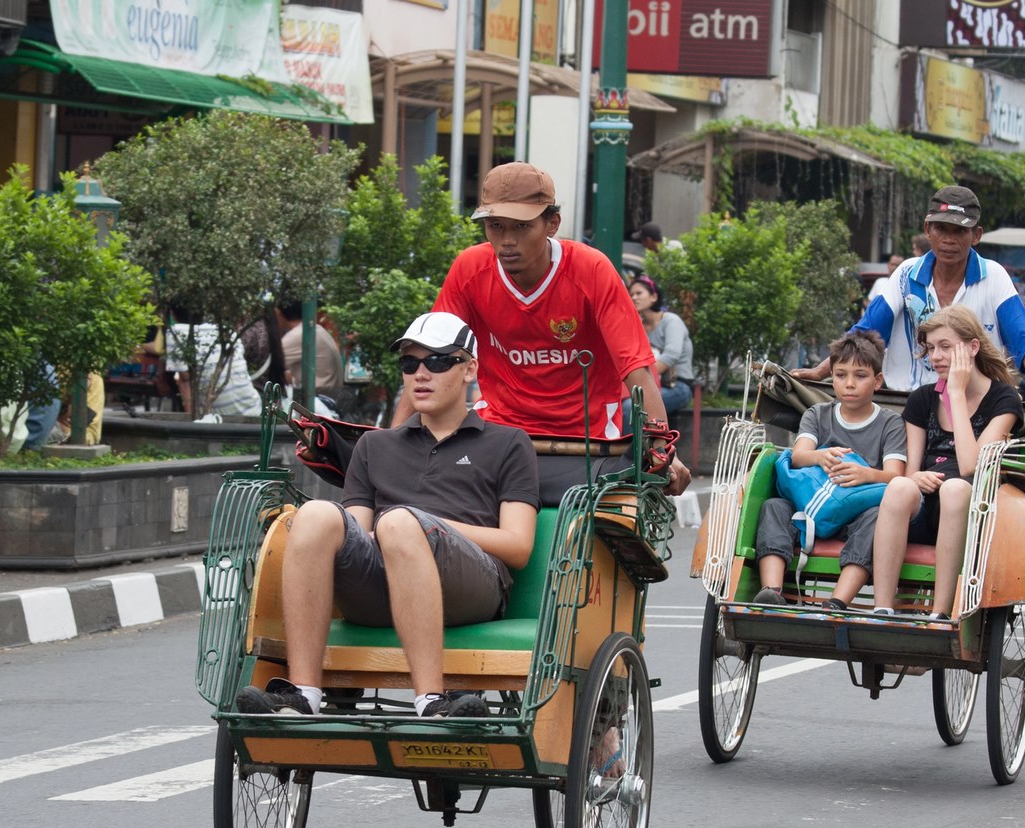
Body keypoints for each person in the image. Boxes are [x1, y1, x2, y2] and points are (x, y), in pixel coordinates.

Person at [235, 312, 539, 718]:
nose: (420, 374)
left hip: (471, 585)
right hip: (381, 581)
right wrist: (399, 528)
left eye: (437, 361)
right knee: (315, 515)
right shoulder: (374, 447)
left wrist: (421, 523)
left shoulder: (508, 443)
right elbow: (355, 533)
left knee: (398, 522)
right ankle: (304, 693)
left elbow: (518, 547)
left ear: (470, 370)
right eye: (409, 364)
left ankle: (431, 699)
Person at [408, 161, 690, 503]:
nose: (507, 241)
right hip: (499, 431)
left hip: (589, 440)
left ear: (551, 224)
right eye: (495, 226)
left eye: (522, 227)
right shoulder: (470, 268)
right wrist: (394, 443)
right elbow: (429, 360)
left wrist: (661, 448)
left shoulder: (591, 270)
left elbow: (636, 369)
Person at [804, 185, 1025, 393]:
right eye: (942, 229)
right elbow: (866, 332)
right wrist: (820, 371)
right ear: (927, 230)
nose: (949, 239)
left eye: (959, 231)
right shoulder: (906, 274)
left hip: (976, 405)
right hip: (908, 401)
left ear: (976, 235)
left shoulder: (994, 277)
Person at [871, 306, 1025, 619]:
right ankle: (883, 608)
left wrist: (955, 392)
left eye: (945, 346)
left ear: (972, 347)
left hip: (971, 511)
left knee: (955, 487)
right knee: (900, 486)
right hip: (923, 510)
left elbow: (971, 465)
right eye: (930, 348)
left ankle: (940, 613)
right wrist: (916, 478)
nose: (936, 357)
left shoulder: (1004, 399)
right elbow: (910, 468)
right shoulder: (922, 399)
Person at [751, 329, 906, 610]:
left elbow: (896, 476)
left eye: (860, 376)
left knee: (876, 519)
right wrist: (820, 456)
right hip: (809, 507)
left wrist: (867, 474)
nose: (849, 384)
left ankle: (837, 600)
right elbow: (798, 457)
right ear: (831, 377)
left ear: (877, 380)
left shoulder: (890, 423)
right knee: (773, 506)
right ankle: (771, 591)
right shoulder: (817, 414)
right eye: (840, 375)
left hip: (856, 514)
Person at [629, 274, 695, 415]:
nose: (634, 298)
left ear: (654, 296)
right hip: (648, 384)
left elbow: (671, 355)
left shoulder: (671, 321)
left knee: (631, 406)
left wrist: (641, 379)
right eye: (631, 294)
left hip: (678, 386)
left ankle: (635, 438)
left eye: (639, 293)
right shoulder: (637, 326)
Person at [277, 298, 344, 398]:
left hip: (316, 398)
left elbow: (269, 366)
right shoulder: (316, 329)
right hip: (329, 394)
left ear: (279, 314)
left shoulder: (298, 335)